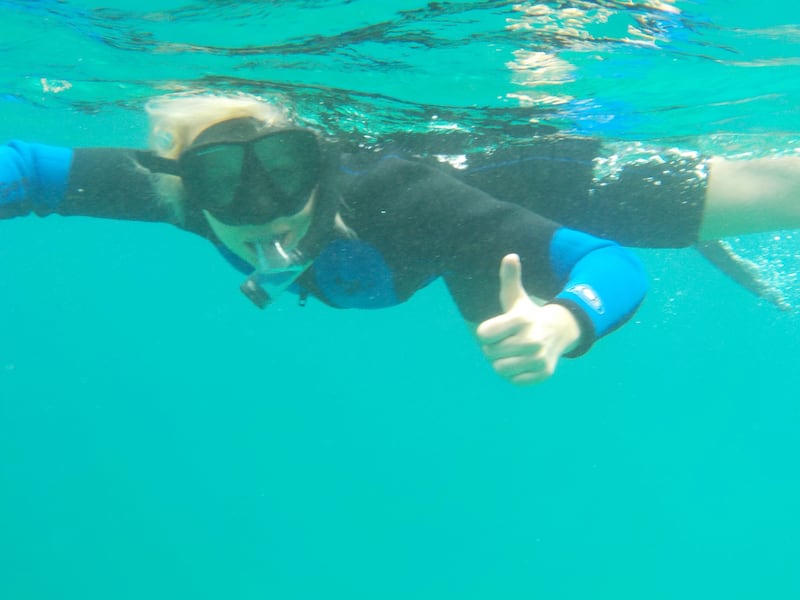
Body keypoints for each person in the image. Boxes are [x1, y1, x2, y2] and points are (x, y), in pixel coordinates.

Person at [0, 92, 649, 387]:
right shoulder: (186, 197)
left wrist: (565, 322)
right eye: (221, 186)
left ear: (317, 166)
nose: (260, 213)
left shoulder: (407, 198)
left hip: (486, 202)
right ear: (186, 187)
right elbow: (25, 168)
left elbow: (608, 262)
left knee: (511, 304)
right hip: (429, 257)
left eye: (284, 176)